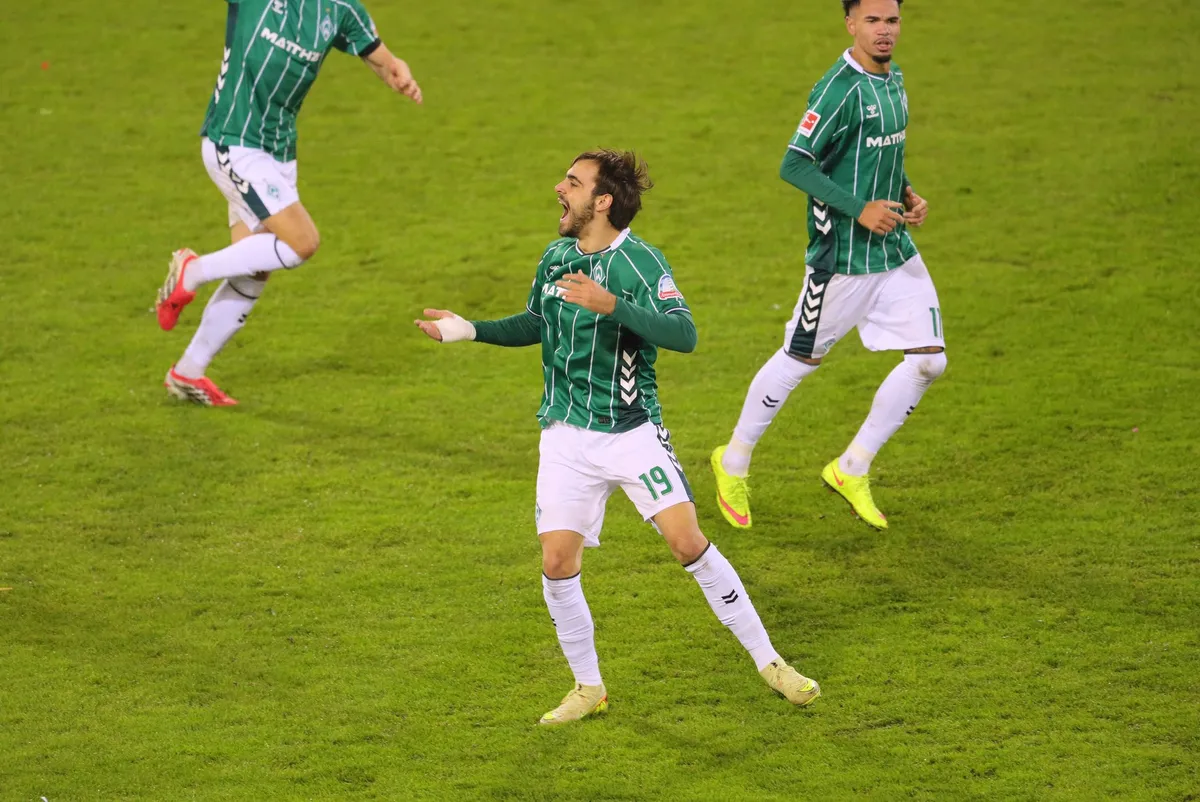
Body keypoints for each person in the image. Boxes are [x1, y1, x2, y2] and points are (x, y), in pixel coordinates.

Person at [415, 150, 820, 724]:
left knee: (686, 543)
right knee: (557, 560)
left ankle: (771, 663)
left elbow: (684, 334)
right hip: (565, 436)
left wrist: (614, 305)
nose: (560, 189)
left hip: (630, 432)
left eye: (573, 183)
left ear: (602, 201)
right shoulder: (557, 257)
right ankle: (588, 687)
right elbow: (536, 321)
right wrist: (469, 330)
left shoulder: (641, 263)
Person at [711, 0, 945, 531]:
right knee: (799, 361)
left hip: (893, 249)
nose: (884, 31)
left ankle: (851, 467)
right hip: (841, 259)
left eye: (892, 21)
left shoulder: (893, 78)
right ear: (850, 23)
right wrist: (859, 208)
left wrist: (906, 191)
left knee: (930, 361)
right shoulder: (838, 89)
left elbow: (879, 152)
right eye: (872, 21)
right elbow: (794, 164)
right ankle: (734, 461)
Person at [154, 0, 423, 406]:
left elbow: (377, 55)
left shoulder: (339, 9)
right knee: (302, 242)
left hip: (278, 153)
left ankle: (187, 373)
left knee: (254, 268)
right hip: (234, 141)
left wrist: (395, 72)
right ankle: (192, 271)